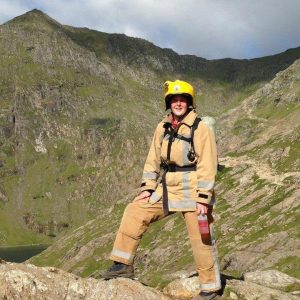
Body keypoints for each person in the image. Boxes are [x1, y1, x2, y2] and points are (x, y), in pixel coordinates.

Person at [102, 80, 221, 299]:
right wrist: (147, 188)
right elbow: (152, 160)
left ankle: (210, 287)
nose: (178, 103)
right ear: (169, 103)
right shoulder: (163, 126)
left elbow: (208, 164)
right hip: (167, 187)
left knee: (201, 238)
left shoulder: (201, 127)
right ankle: (122, 264)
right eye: (174, 100)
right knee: (135, 211)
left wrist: (204, 198)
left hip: (193, 189)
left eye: (182, 100)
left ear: (190, 103)